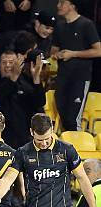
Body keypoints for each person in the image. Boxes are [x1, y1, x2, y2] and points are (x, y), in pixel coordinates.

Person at [51, 0, 101, 131]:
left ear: (73, 5)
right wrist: (57, 54)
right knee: (63, 115)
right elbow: (53, 50)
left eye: (62, 2)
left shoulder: (86, 24)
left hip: (80, 78)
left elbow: (98, 51)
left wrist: (73, 54)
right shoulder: (59, 26)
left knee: (73, 119)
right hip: (62, 77)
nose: (58, 5)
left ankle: (76, 148)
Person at [0, 49, 46, 149]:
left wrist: (36, 78)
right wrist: (13, 77)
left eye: (11, 62)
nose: (8, 65)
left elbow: (39, 103)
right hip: (2, 139)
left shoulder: (27, 83)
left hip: (26, 138)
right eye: (4, 63)